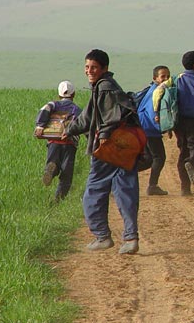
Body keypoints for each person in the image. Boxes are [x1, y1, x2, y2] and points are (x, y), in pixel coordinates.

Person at [63, 49, 141, 255]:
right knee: (126, 191)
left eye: (94, 67)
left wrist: (104, 134)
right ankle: (131, 238)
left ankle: (102, 236)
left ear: (105, 68)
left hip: (107, 149)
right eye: (87, 67)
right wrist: (69, 130)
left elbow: (109, 116)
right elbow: (87, 117)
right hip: (125, 146)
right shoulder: (105, 86)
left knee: (94, 191)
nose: (89, 71)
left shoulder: (104, 87)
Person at [154, 50, 194, 196]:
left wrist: (158, 112)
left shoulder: (174, 79)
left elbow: (158, 92)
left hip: (178, 122)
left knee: (183, 152)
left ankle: (185, 189)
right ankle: (191, 164)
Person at [34, 80, 82, 202]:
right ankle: (58, 200)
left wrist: (40, 126)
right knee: (67, 172)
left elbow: (44, 110)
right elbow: (83, 124)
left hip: (53, 141)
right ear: (73, 94)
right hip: (69, 143)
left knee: (53, 161)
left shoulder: (53, 105)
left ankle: (51, 170)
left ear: (59, 94)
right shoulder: (76, 109)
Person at [135, 65, 171, 196]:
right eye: (163, 76)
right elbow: (152, 112)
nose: (166, 79)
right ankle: (152, 186)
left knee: (148, 159)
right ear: (155, 78)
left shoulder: (153, 89)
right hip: (149, 129)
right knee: (159, 157)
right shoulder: (157, 91)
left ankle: (119, 177)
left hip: (143, 127)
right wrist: (162, 127)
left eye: (168, 76)